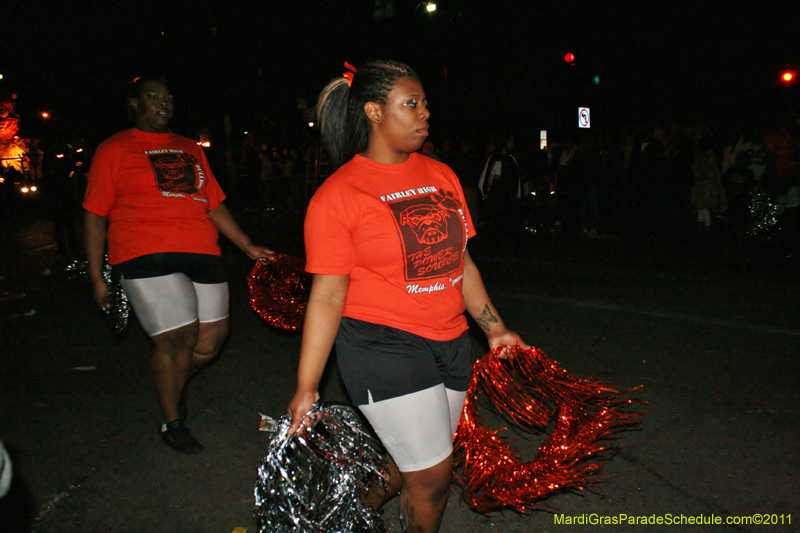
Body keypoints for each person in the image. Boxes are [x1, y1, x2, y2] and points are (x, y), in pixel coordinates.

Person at [285, 60, 528, 533]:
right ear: (374, 112)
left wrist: (495, 329)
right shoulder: (338, 195)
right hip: (381, 346)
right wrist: (307, 386)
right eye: (411, 104)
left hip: (451, 342)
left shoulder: (441, 174)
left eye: (425, 103)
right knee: (433, 479)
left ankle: (351, 513)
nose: (425, 113)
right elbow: (328, 296)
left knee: (415, 462)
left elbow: (460, 263)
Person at [83, 76, 274, 453]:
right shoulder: (114, 148)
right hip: (143, 251)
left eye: (168, 97)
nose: (163, 103)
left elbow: (213, 203)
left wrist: (245, 244)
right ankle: (172, 421)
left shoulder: (190, 147)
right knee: (177, 339)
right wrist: (96, 276)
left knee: (210, 342)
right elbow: (94, 214)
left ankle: (171, 383)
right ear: (135, 103)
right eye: (153, 96)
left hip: (202, 250)